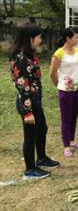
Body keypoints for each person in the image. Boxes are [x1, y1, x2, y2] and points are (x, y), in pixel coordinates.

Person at [10, 24, 60, 180]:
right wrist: (28, 112)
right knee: (30, 135)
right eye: (38, 37)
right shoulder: (20, 58)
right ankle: (30, 170)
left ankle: (42, 158)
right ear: (30, 38)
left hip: (35, 100)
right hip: (27, 102)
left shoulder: (29, 55)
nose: (41, 40)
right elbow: (22, 85)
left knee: (42, 128)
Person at [49, 28, 78, 157]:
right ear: (68, 39)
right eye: (76, 37)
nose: (77, 39)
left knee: (74, 116)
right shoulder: (58, 54)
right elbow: (52, 73)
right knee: (66, 118)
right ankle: (66, 146)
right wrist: (59, 85)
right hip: (65, 91)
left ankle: (72, 140)